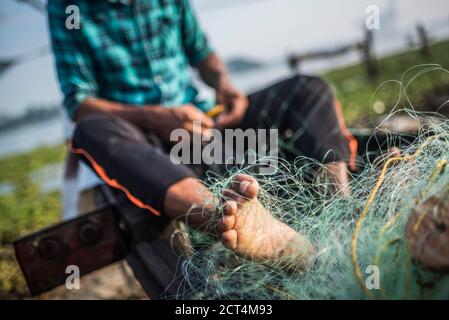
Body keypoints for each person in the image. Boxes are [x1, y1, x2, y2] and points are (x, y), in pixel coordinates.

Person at [48, 0, 357, 269]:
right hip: (149, 145)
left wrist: (222, 83)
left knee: (307, 89)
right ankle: (230, 219)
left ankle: (338, 206)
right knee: (89, 129)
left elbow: (201, 52)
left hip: (205, 123)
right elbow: (81, 104)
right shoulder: (67, 6)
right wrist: (156, 118)